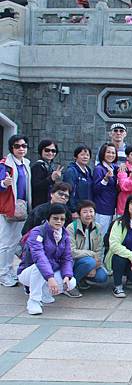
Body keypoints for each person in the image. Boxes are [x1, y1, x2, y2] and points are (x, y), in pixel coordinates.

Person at [17, 203, 76, 314]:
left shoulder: (65, 235)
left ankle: (45, 292)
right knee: (38, 267)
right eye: (55, 218)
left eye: (62, 219)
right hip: (29, 272)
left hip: (51, 271)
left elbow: (67, 258)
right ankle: (33, 301)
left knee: (71, 282)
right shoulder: (37, 232)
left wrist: (67, 275)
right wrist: (50, 278)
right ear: (48, 218)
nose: (59, 221)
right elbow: (39, 257)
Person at [0, 134, 32, 287]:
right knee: (5, 242)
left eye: (24, 146)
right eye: (17, 146)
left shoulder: (26, 163)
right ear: (11, 148)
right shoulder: (5, 164)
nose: (21, 149)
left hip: (21, 207)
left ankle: (9, 270)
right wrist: (4, 184)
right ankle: (2, 273)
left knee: (14, 242)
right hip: (7, 207)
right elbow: (1, 183)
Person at [105, 194, 132, 298]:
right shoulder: (119, 223)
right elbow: (114, 245)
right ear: (127, 206)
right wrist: (131, 256)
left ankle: (129, 278)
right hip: (121, 258)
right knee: (119, 258)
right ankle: (117, 286)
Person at [66, 200, 108, 296]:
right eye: (85, 212)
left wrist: (96, 266)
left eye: (91, 211)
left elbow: (100, 249)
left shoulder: (98, 227)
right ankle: (70, 285)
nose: (88, 214)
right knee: (89, 262)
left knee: (102, 277)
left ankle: (81, 279)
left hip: (91, 261)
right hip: (74, 262)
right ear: (79, 214)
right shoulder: (72, 228)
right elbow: (71, 252)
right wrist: (91, 255)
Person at [92, 143, 118, 237]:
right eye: (108, 152)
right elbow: (96, 189)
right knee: (100, 236)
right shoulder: (99, 169)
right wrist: (105, 179)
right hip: (102, 208)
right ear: (103, 153)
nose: (111, 155)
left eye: (113, 153)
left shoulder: (114, 168)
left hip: (111, 207)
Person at [30, 139, 63, 208]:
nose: (50, 153)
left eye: (53, 151)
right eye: (47, 150)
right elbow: (35, 187)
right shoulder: (37, 166)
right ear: (41, 151)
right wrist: (51, 178)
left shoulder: (50, 166)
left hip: (49, 203)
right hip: (39, 205)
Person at [63, 145, 93, 217]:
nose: (85, 157)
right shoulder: (71, 171)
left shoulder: (88, 171)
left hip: (85, 209)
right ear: (75, 157)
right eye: (82, 155)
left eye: (87, 155)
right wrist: (73, 210)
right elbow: (69, 191)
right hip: (75, 210)